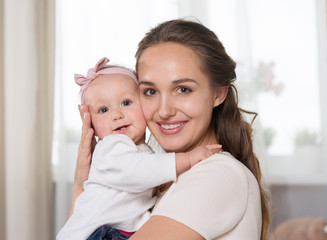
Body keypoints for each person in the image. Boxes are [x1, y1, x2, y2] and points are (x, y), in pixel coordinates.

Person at [72, 19, 270, 240]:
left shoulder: (216, 175)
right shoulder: (158, 180)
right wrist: (83, 182)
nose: (164, 111)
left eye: (183, 89)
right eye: (150, 91)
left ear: (218, 94)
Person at [57, 57, 220, 240]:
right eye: (103, 110)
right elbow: (140, 170)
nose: (117, 115)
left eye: (126, 103)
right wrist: (187, 159)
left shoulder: (139, 150)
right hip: (99, 234)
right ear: (91, 124)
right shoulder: (111, 149)